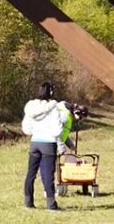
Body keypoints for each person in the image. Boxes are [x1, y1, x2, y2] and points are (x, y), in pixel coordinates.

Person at [20, 82, 74, 210]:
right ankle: (51, 204)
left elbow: (26, 128)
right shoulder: (53, 108)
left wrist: (36, 132)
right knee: (48, 175)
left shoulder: (30, 106)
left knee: (31, 173)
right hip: (48, 143)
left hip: (35, 142)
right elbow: (57, 130)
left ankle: (28, 202)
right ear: (50, 92)